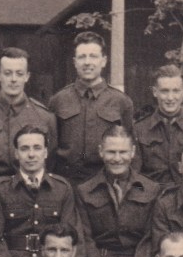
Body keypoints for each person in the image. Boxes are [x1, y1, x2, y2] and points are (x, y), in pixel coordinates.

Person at [0, 125, 84, 257]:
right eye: (24, 149)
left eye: (37, 148)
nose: (31, 154)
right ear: (16, 153)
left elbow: (73, 236)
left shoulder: (62, 189)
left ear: (45, 152)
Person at [77, 126, 161, 257]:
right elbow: (84, 238)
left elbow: (152, 236)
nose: (117, 158)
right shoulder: (85, 191)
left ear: (132, 152)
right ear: (101, 152)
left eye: (122, 152)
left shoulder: (150, 189)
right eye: (111, 152)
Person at [49, 31, 134, 184]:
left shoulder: (121, 101)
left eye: (93, 56)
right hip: (67, 183)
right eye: (82, 57)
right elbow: (50, 148)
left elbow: (130, 147)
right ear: (75, 62)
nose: (87, 62)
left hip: (106, 182)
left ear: (104, 61)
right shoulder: (59, 100)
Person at [0, 47, 58, 184]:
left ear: (27, 76)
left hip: (31, 193)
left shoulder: (45, 118)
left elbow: (51, 162)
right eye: (7, 73)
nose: (13, 79)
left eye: (19, 73)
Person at [133, 64, 183, 186]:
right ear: (155, 92)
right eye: (164, 91)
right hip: (151, 200)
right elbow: (134, 175)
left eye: (176, 91)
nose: (170, 97)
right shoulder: (139, 129)